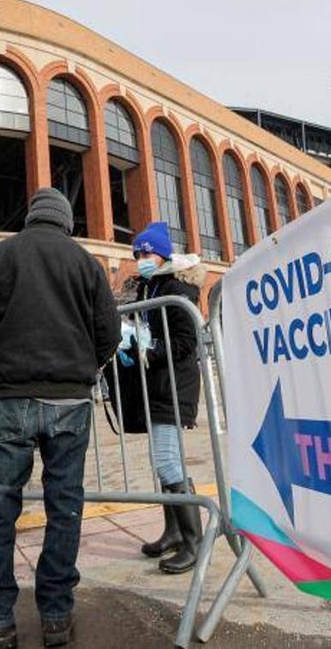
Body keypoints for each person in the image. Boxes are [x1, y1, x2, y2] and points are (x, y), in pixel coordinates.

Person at [0, 187, 120, 649]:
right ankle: (56, 616)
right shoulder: (86, 263)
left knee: (0, 508)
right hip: (70, 401)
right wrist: (79, 366)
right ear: (66, 221)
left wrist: (3, 356)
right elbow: (109, 332)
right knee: (64, 507)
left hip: (10, 397)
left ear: (31, 218)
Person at [129, 221, 205, 575]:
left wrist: (151, 349)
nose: (140, 258)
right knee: (164, 463)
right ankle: (174, 532)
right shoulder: (151, 286)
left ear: (162, 253)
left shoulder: (177, 287)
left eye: (146, 252)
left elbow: (186, 343)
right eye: (137, 254)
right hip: (158, 385)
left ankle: (193, 541)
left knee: (168, 461)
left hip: (175, 385)